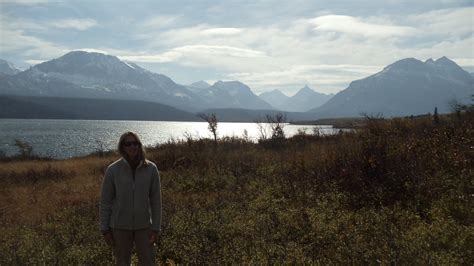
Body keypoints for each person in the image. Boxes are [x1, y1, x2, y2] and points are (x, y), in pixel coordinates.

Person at [100, 131, 162, 265]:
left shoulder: (151, 169)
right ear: (122, 147)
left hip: (144, 226)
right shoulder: (113, 170)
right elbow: (105, 202)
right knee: (122, 262)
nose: (132, 147)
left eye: (135, 143)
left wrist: (156, 228)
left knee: (148, 262)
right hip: (119, 227)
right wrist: (105, 229)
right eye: (128, 144)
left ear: (140, 145)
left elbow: (156, 201)